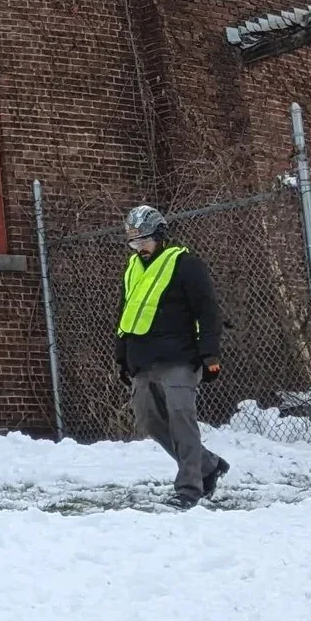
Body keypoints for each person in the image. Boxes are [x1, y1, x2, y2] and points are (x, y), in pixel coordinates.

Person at [117, 204, 229, 508]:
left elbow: (208, 311)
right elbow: (126, 315)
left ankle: (190, 488)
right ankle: (208, 464)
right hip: (143, 359)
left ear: (160, 236)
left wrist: (210, 355)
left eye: (144, 241)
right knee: (149, 421)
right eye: (134, 242)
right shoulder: (133, 269)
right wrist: (122, 355)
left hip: (180, 358)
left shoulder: (185, 264)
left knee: (181, 419)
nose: (139, 247)